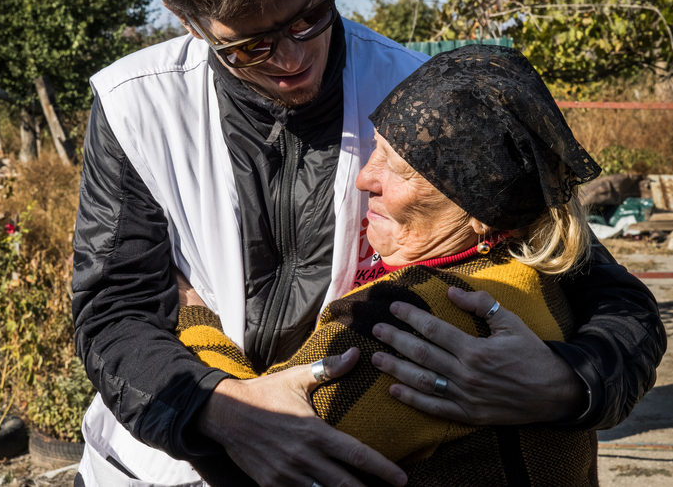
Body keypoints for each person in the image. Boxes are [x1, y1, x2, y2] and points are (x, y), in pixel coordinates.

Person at [71, 0, 666, 487]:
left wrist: (569, 381)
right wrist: (217, 408)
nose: (293, 57)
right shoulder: (136, 104)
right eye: (251, 47)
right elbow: (114, 310)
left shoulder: (417, 95)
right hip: (162, 467)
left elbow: (604, 290)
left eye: (311, 16)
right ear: (188, 22)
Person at [175, 44, 609, 486]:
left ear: (482, 210)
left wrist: (191, 316)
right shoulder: (537, 277)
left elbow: (252, 447)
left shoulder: (413, 319)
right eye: (375, 149)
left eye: (399, 169)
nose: (365, 178)